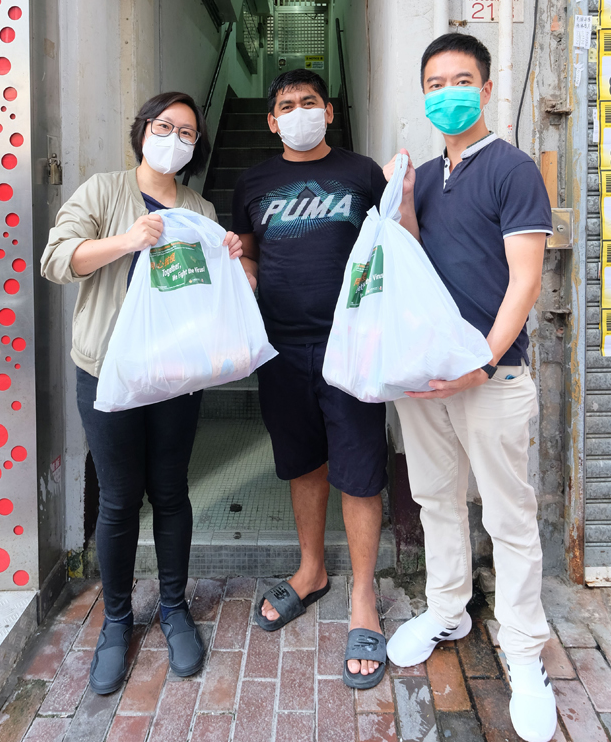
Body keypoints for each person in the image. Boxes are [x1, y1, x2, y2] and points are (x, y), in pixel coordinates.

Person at [382, 34, 557, 741]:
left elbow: (525, 281)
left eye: (461, 79)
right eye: (434, 82)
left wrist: (480, 363)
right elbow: (416, 263)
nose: (446, 92)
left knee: (509, 520)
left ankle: (523, 652)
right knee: (435, 501)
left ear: (487, 90)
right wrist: (400, 204)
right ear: (422, 95)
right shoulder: (424, 174)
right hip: (427, 379)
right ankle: (448, 609)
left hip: (493, 375)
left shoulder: (513, 170)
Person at [38, 92, 243, 695]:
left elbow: (203, 288)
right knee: (121, 500)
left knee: (173, 491)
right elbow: (57, 260)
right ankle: (118, 622)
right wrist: (127, 241)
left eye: (187, 131)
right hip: (107, 371)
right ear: (142, 130)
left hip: (176, 374)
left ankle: (175, 607)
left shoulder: (201, 206)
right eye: (164, 125)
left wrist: (229, 257)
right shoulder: (104, 192)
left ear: (197, 144)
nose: (175, 137)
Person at [230, 69, 391, 688]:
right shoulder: (253, 181)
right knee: (303, 463)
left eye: (308, 102)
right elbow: (245, 249)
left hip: (349, 346)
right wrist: (243, 269)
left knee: (358, 467)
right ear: (271, 121)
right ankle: (312, 571)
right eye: (286, 105)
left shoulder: (362, 174)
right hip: (280, 347)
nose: (298, 111)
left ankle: (363, 598)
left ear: (328, 111)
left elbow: (388, 247)